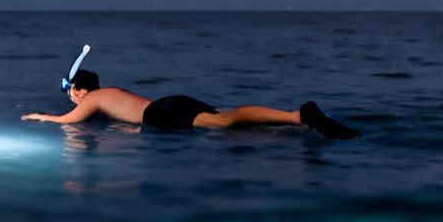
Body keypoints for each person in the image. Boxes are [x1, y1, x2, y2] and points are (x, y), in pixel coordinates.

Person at [24, 69, 359, 139]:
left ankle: (299, 115)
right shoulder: (109, 92)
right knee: (233, 126)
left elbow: (68, 121)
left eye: (71, 92)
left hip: (160, 114)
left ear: (80, 89)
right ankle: (294, 121)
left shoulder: (93, 97)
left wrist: (40, 117)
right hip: (168, 103)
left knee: (225, 123)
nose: (72, 97)